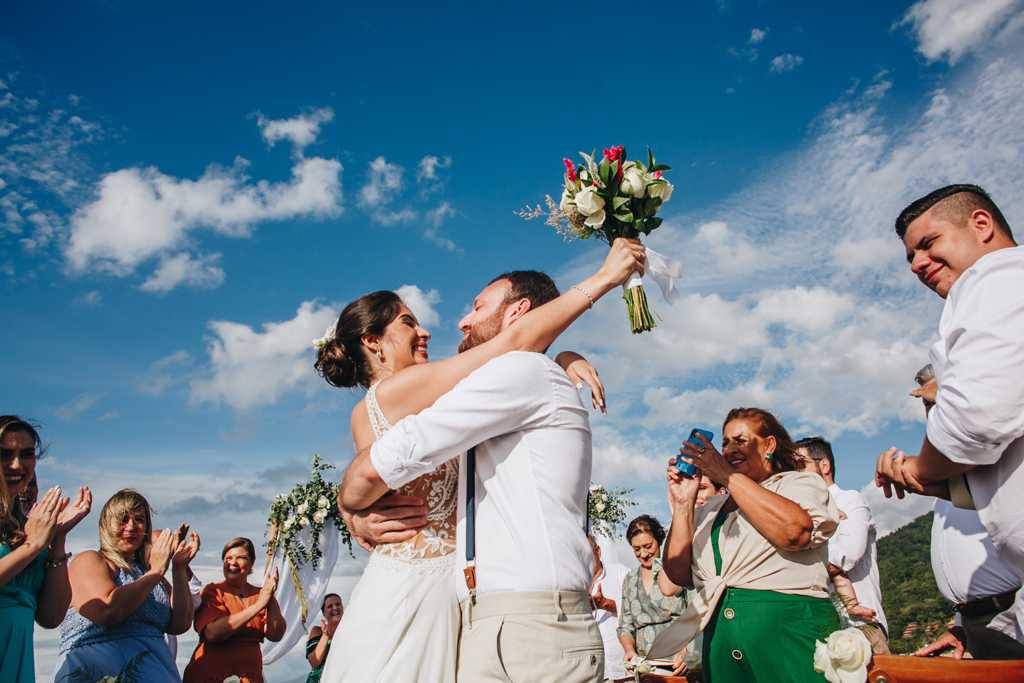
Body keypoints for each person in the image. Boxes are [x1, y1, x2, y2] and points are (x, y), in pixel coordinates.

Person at [322, 238, 644, 683]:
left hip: (453, 600)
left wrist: (561, 359)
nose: (429, 331)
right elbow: (514, 341)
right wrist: (605, 279)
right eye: (408, 323)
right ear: (373, 342)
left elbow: (513, 369)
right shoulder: (398, 390)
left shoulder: (419, 399)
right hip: (416, 589)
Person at [874, 184, 1024, 645]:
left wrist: (921, 464)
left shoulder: (996, 278)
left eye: (928, 243)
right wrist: (930, 480)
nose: (918, 263)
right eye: (910, 257)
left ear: (982, 225)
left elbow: (975, 417)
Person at [656, 408, 840, 683]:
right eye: (725, 443)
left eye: (739, 440)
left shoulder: (798, 483)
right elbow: (679, 574)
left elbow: (795, 532)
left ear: (769, 445)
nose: (729, 449)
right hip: (721, 646)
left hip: (788, 639)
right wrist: (683, 504)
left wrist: (725, 474)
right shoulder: (711, 509)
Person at [907, 365, 1024, 661]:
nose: (934, 413)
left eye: (940, 401)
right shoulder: (952, 480)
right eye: (928, 405)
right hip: (976, 625)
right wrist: (961, 626)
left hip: (1011, 619)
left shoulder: (1002, 460)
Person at [51, 489, 198, 682]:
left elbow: (181, 623)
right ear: (106, 524)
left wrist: (178, 569)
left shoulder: (149, 574)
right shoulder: (90, 560)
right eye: (122, 519)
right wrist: (156, 572)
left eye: (139, 520)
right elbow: (107, 610)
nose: (131, 527)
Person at [0, 417, 91, 683]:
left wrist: (57, 539)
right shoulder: (32, 539)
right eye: (5, 454)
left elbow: (51, 617)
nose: (17, 465)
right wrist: (33, 545)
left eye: (26, 454)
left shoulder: (29, 529)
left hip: (18, 659)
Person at [794, 436, 889, 654]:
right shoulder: (795, 514)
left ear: (824, 465)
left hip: (859, 624)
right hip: (816, 627)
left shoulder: (850, 500)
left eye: (801, 465)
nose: (795, 474)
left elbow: (844, 557)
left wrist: (794, 554)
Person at [183, 537, 285, 683]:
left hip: (250, 677)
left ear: (252, 563)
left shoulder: (260, 595)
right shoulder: (213, 591)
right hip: (210, 677)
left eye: (241, 558)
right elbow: (212, 633)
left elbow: (276, 634)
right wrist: (257, 607)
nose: (233, 563)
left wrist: (269, 596)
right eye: (228, 558)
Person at [616, 515, 689, 677]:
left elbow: (695, 613)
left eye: (647, 546)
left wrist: (687, 650)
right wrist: (629, 650)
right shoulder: (630, 580)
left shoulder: (676, 571)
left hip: (678, 662)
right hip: (645, 667)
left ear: (659, 541)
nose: (643, 554)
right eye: (637, 549)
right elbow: (625, 625)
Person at [588, 534, 630, 682]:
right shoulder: (576, 587)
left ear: (598, 551)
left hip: (623, 670)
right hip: (592, 674)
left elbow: (637, 610)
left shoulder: (619, 572)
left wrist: (606, 604)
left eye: (588, 553)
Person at [307, 593, 343, 683]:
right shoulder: (316, 631)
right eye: (330, 606)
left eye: (338, 604)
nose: (335, 608)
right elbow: (314, 662)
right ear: (324, 614)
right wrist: (325, 636)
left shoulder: (350, 631)